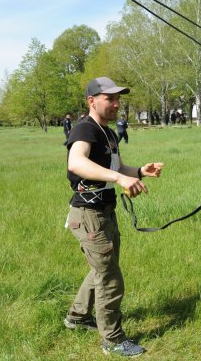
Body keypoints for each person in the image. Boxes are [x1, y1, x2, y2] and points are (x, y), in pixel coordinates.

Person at [64, 76, 164, 357]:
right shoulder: (86, 128)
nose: (116, 103)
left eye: (118, 98)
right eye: (110, 98)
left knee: (102, 269)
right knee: (110, 277)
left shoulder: (106, 132)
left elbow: (115, 166)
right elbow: (77, 162)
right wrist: (120, 178)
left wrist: (141, 171)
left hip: (104, 212)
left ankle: (77, 316)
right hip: (89, 214)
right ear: (92, 101)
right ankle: (113, 340)